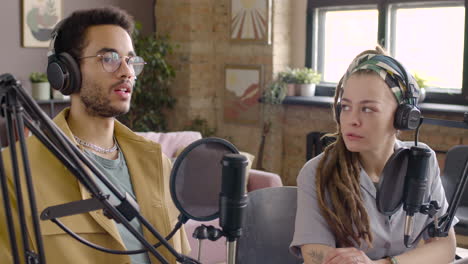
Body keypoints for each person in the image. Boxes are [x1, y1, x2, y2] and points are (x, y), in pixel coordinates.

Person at [0, 7, 189, 263]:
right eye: (109, 58)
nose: (127, 73)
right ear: (66, 72)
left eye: (131, 61)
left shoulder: (157, 162)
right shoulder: (14, 172)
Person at [290, 46, 457, 264]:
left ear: (402, 117)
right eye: (346, 107)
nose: (352, 120)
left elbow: (444, 247)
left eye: (367, 109)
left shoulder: (422, 161)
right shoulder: (317, 171)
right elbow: (313, 255)